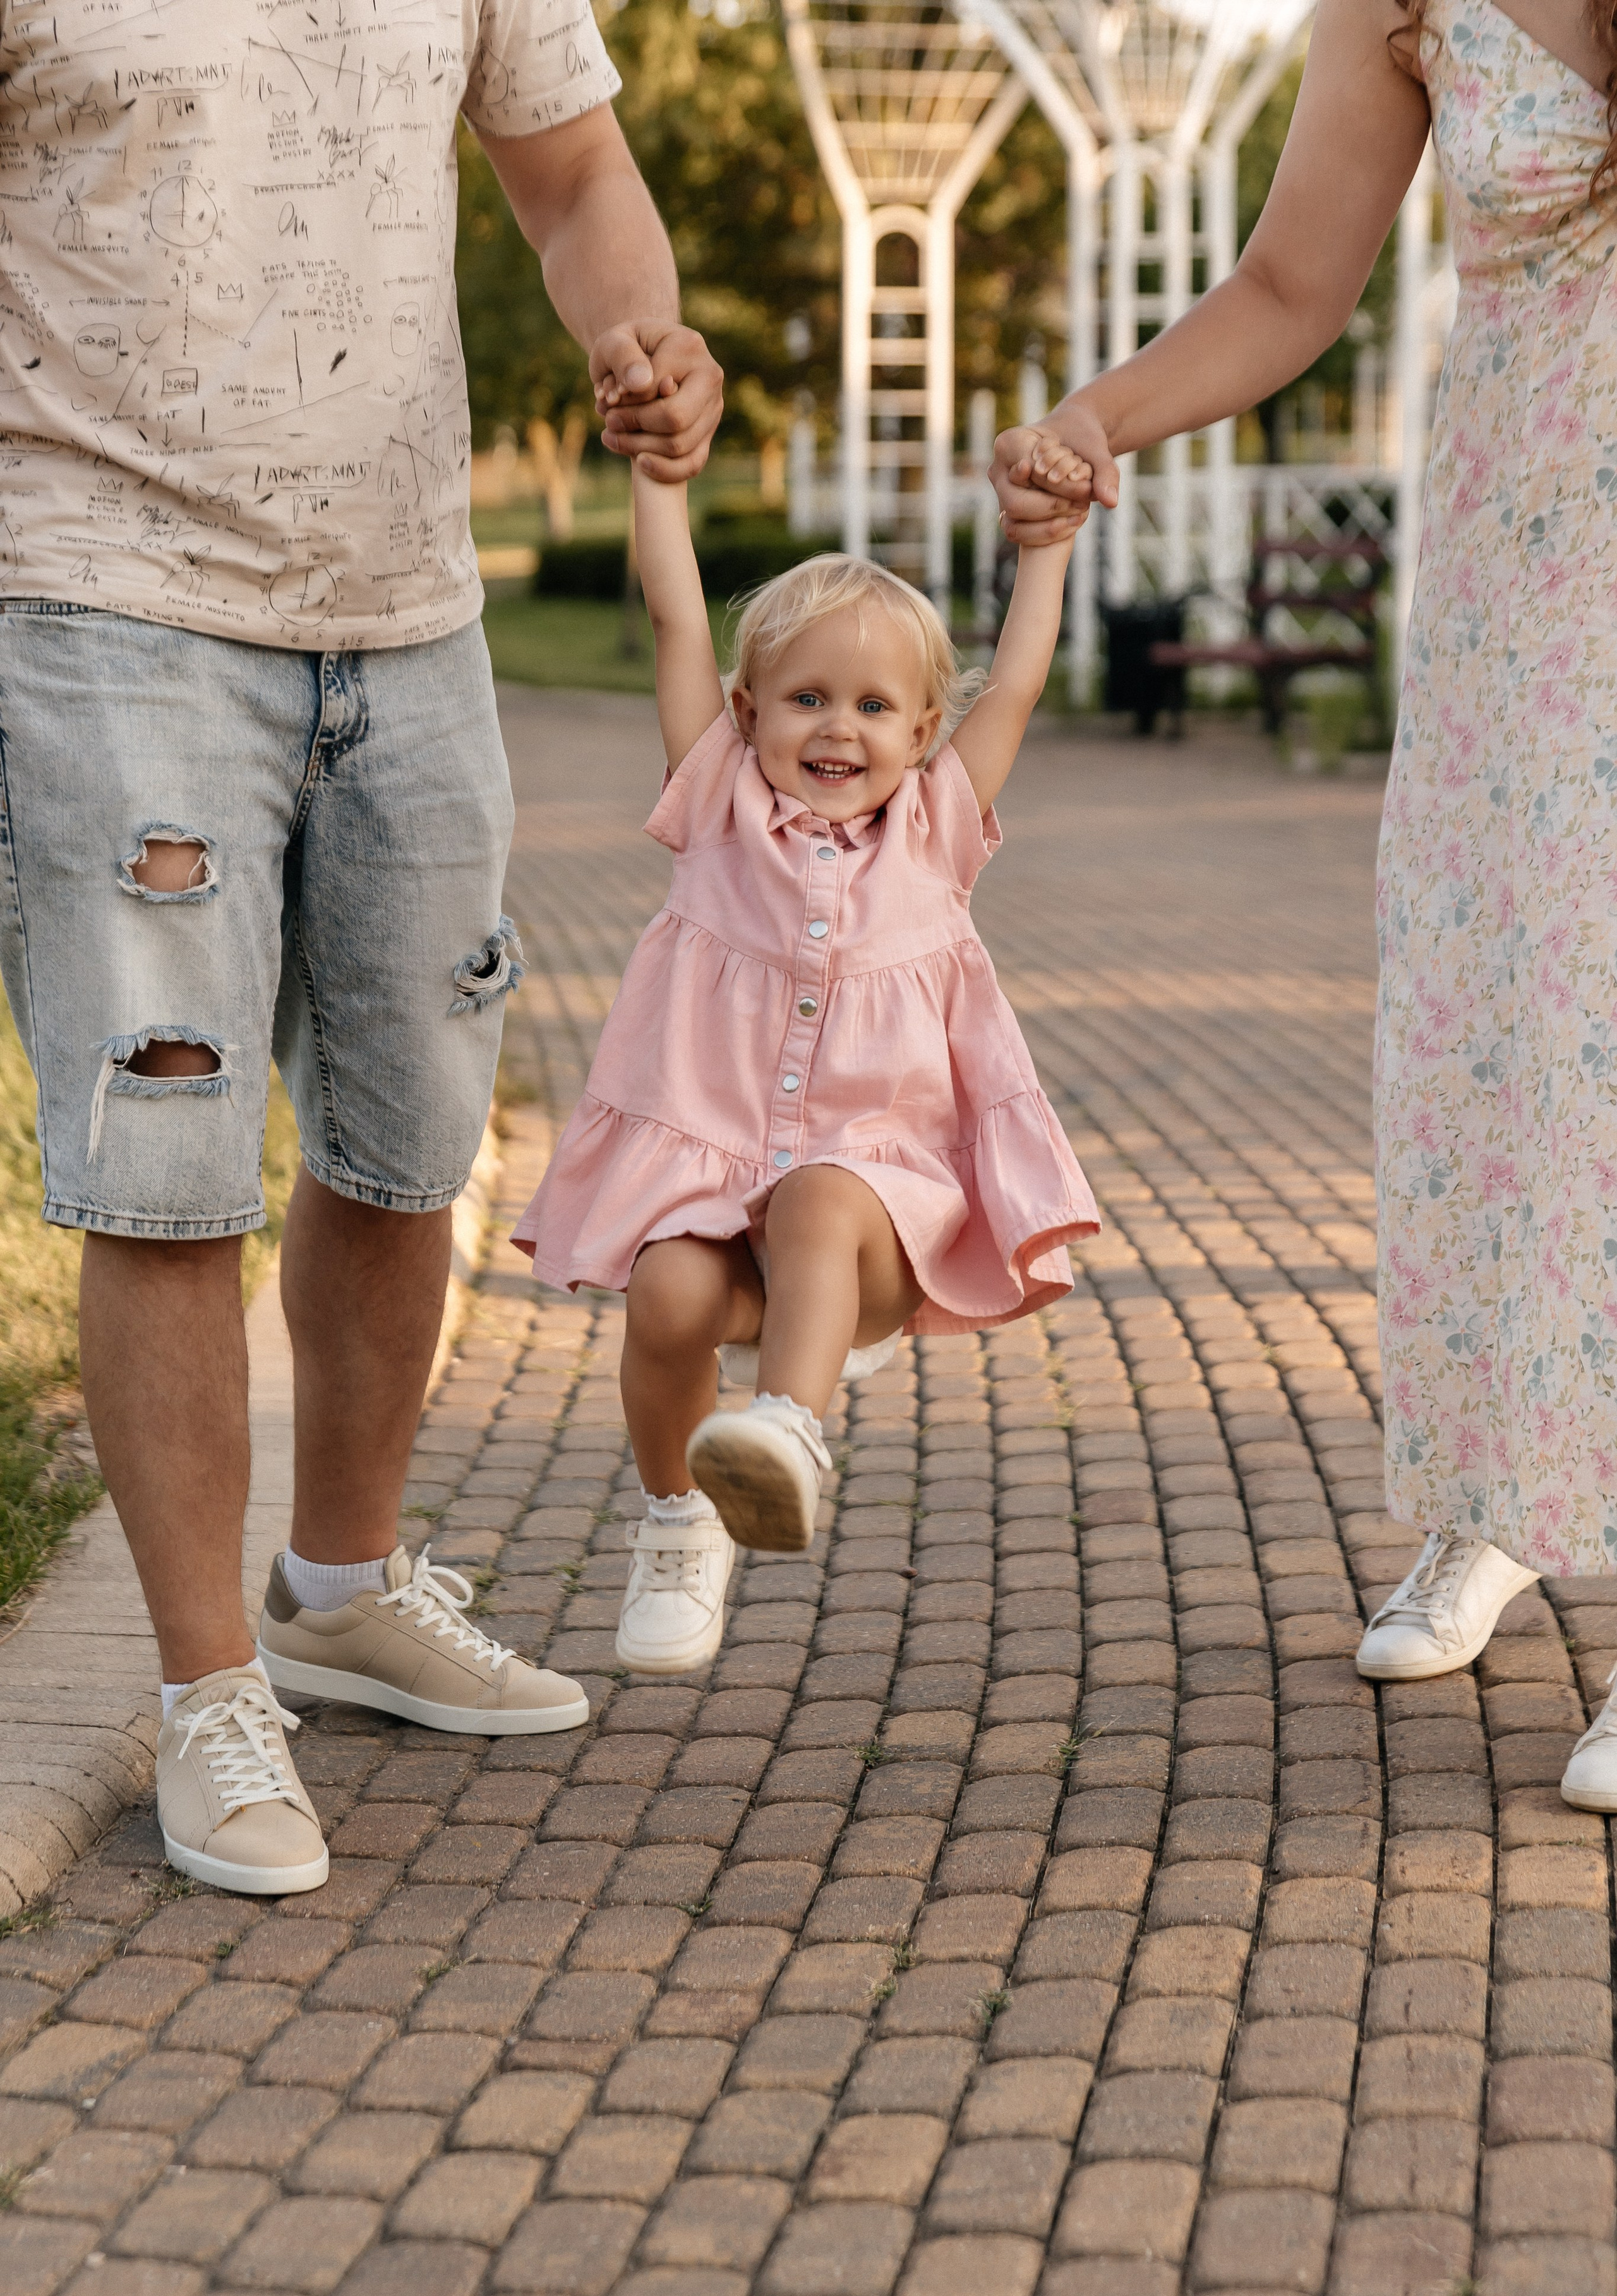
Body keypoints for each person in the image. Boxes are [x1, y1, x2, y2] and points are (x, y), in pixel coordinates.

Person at [0, 0, 723, 1894]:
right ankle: (206, 1686)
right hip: (107, 601)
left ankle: (337, 1587)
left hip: (410, 615)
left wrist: (633, 335)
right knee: (164, 1164)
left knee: (411, 1131)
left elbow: (574, 180)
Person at [989, 0, 1617, 1808]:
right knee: (1514, 1059)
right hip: (1528, 603)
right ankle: (1505, 1501)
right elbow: (1284, 286)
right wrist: (1090, 421)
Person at [512, 442, 1100, 1673]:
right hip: (714, 1195)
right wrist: (659, 479)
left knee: (822, 1193)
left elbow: (1021, 684)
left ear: (922, 730)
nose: (839, 728)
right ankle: (679, 1521)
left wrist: (1042, 553)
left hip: (870, 1222)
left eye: (874, 707)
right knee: (668, 1295)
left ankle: (787, 1422)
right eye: (807, 699)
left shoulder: (934, 829)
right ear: (745, 714)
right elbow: (678, 611)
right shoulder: (716, 801)